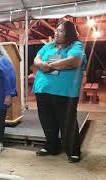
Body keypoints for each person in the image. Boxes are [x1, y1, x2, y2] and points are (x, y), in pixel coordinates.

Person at [33, 21, 86, 163]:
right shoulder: (48, 46)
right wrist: (40, 64)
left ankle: (73, 151)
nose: (56, 33)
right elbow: (36, 59)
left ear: (69, 33)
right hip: (43, 90)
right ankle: (52, 147)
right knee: (47, 121)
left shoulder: (76, 45)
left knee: (67, 122)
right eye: (56, 30)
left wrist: (48, 66)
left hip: (64, 92)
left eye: (61, 31)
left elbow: (74, 61)